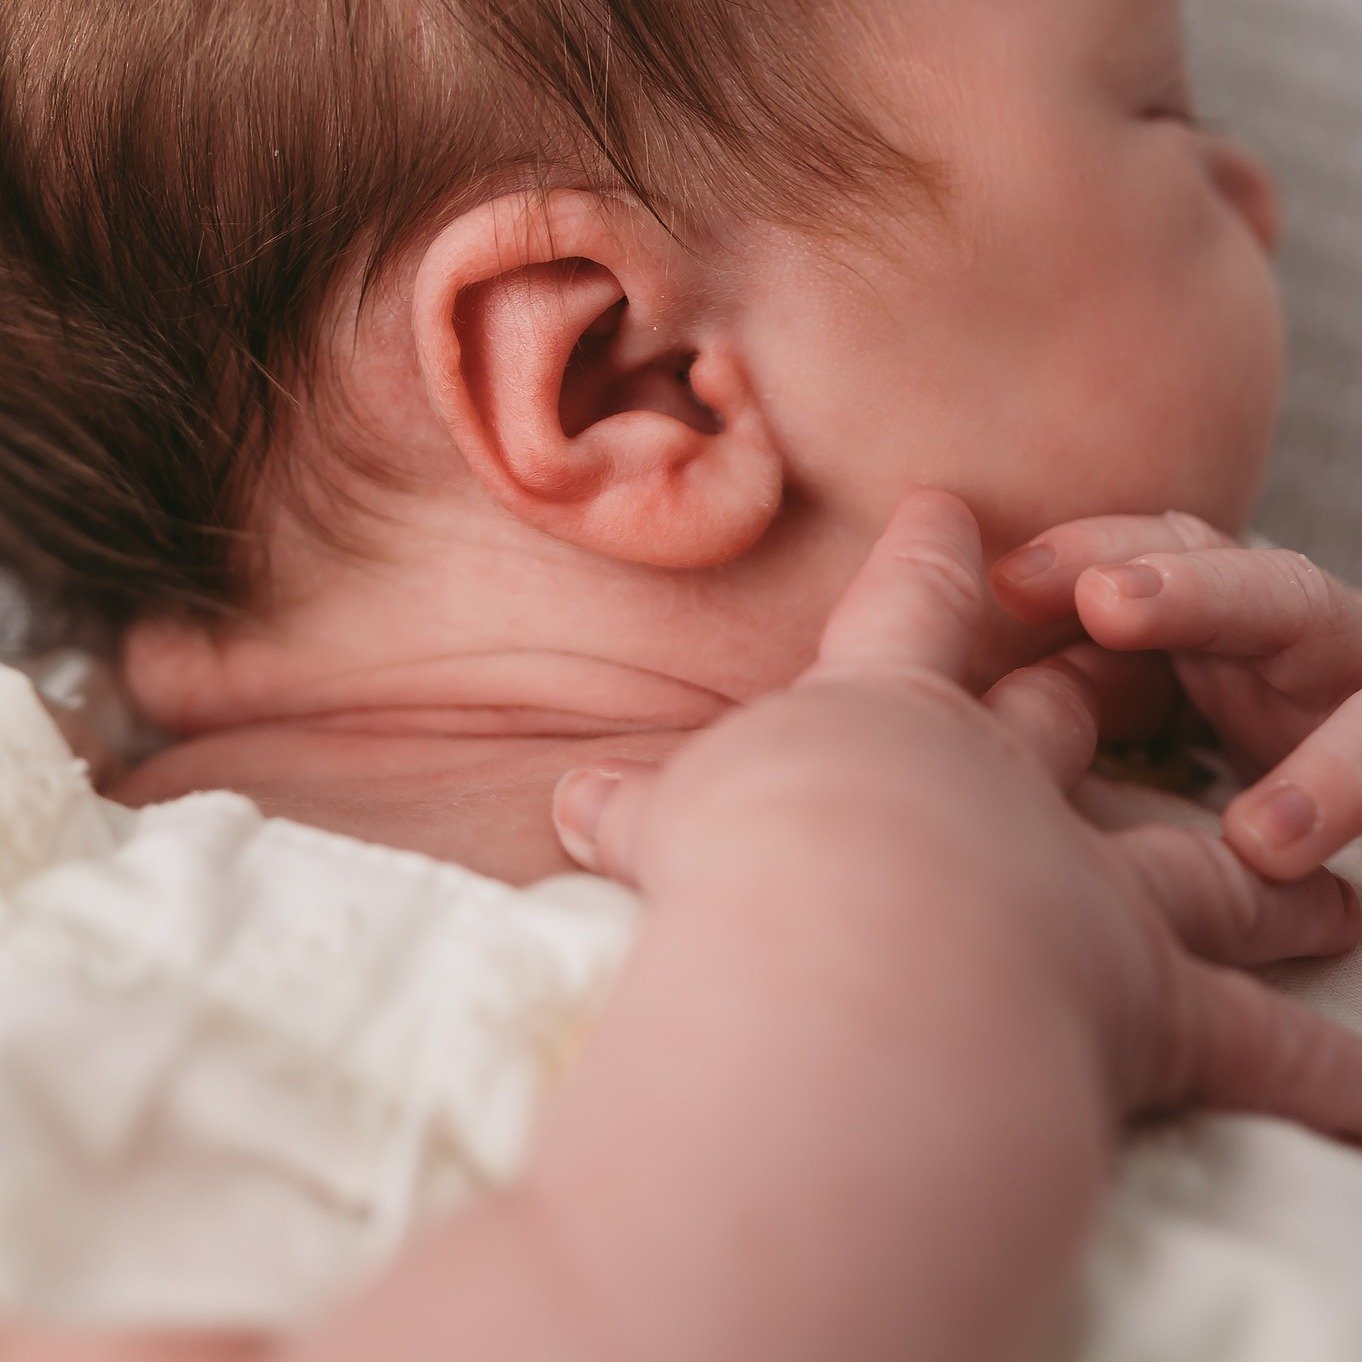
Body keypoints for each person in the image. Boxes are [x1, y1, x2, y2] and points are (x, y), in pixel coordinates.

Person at [3, 0, 1362, 1357]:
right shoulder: (121, 965)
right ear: (636, 384)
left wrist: (1298, 807)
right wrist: (905, 906)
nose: (1262, 203)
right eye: (1166, 118)